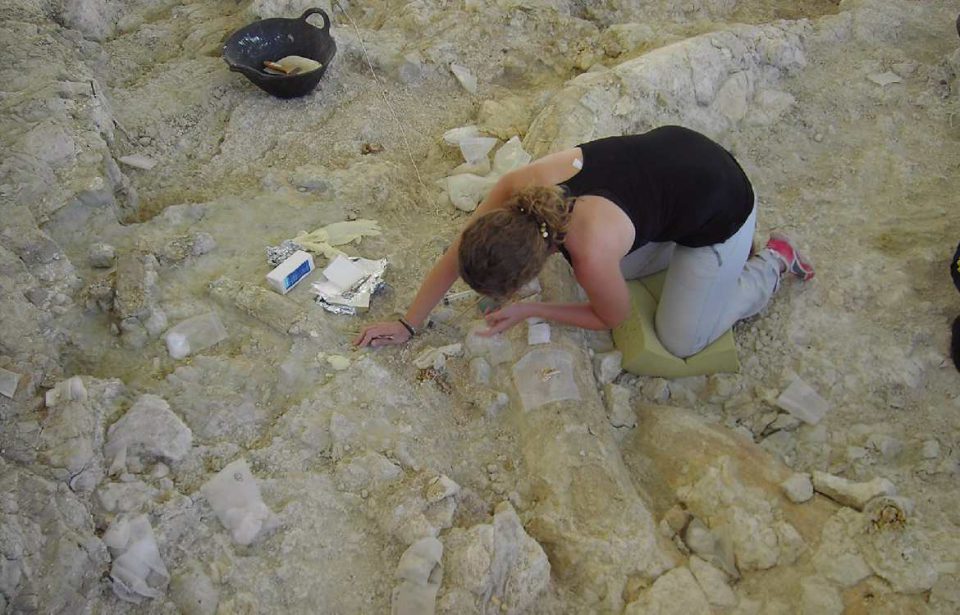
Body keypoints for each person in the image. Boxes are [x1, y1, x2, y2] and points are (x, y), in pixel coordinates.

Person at [354, 126, 814, 357]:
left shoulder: (591, 251)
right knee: (609, 270)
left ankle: (771, 260)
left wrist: (531, 309)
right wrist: (410, 323)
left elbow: (612, 316)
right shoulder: (518, 187)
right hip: (684, 164)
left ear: (537, 260)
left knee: (682, 340)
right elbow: (460, 249)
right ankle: (705, 256)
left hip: (724, 206)